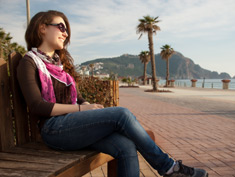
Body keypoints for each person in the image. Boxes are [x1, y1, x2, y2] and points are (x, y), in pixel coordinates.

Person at [17, 10, 208, 177]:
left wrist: (90, 109)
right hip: (53, 131)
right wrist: (82, 110)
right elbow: (37, 106)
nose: (65, 34)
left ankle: (169, 169)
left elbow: (79, 99)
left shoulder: (60, 67)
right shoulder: (30, 62)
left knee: (126, 146)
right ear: (42, 28)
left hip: (71, 127)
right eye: (61, 27)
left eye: (66, 30)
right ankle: (168, 168)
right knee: (122, 114)